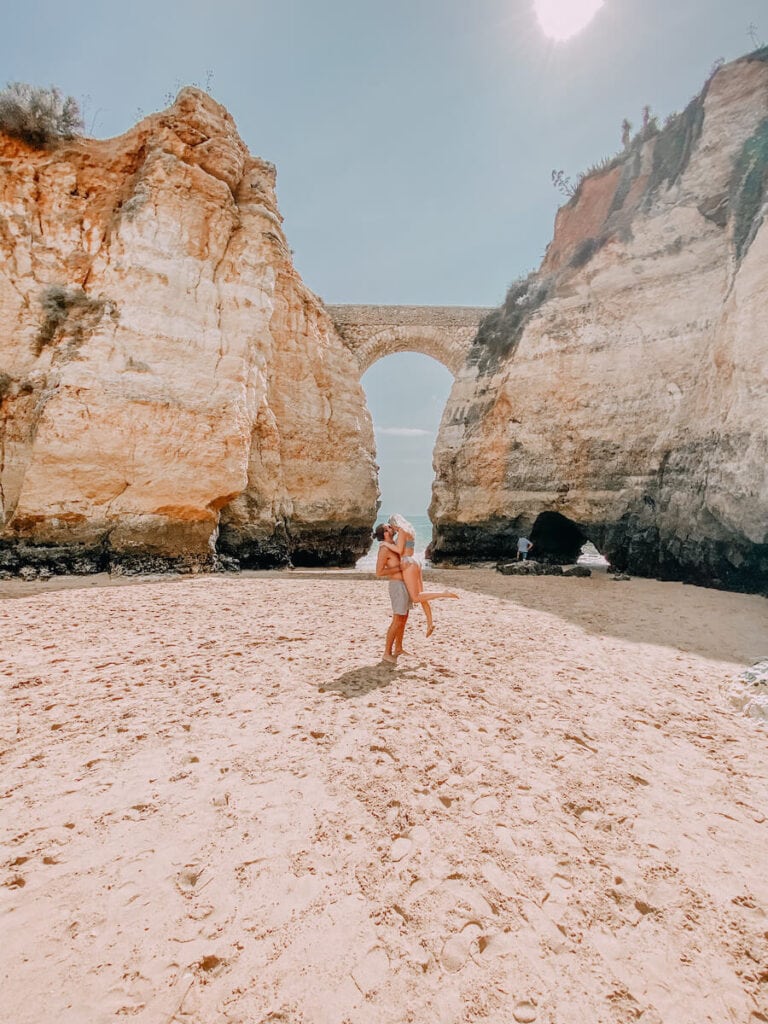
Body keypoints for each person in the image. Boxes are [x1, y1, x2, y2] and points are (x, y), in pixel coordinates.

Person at [383, 514, 458, 637]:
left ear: (395, 523)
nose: (393, 530)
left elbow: (399, 550)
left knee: (416, 597)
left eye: (392, 526)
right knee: (422, 596)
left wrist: (386, 545)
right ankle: (430, 623)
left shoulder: (402, 531)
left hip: (408, 563)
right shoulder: (410, 530)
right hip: (416, 561)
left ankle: (443, 593)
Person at [374, 523, 411, 663]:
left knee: (404, 617)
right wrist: (398, 569)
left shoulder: (395, 545)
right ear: (385, 533)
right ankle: (387, 653)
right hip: (397, 586)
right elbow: (379, 572)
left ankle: (399, 648)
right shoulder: (384, 549)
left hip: (405, 584)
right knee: (397, 619)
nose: (392, 528)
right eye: (389, 527)